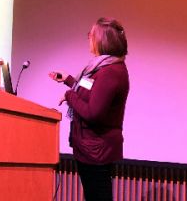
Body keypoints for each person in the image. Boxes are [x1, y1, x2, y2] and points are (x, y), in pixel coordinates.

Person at [49, 17, 129, 201]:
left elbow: (93, 112)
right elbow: (90, 88)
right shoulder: (102, 67)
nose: (89, 38)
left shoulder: (110, 72)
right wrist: (69, 80)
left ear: (102, 40)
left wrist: (69, 96)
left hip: (96, 150)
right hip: (91, 147)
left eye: (91, 35)